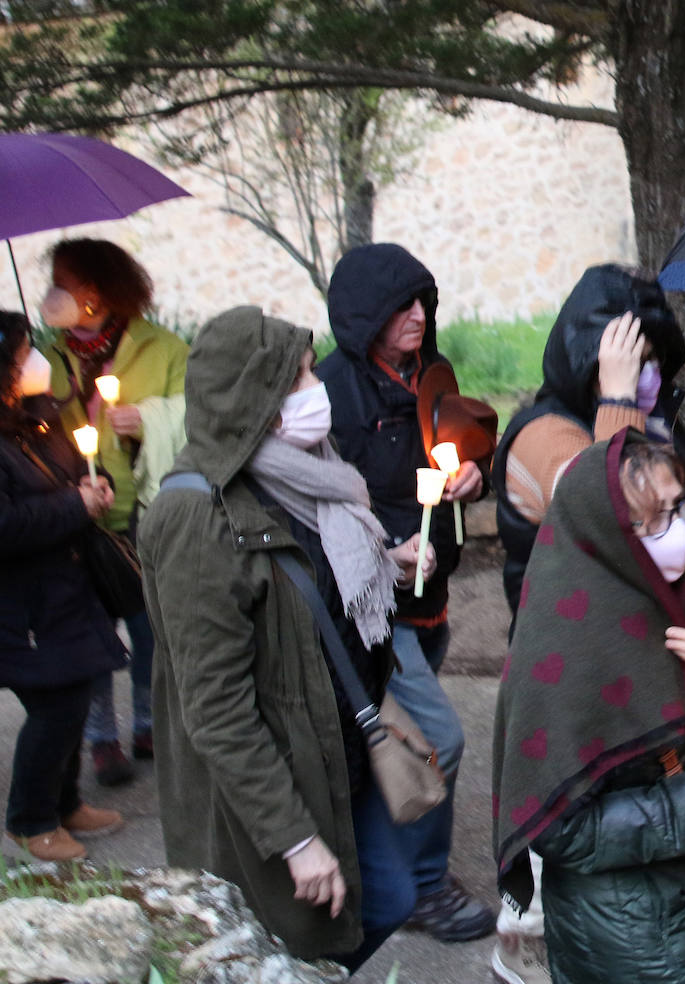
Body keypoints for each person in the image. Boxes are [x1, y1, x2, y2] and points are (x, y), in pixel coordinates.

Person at [489, 264, 685, 984]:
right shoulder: (550, 435)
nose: (646, 378)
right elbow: (595, 499)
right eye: (630, 363)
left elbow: (661, 506)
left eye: (653, 363)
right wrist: (616, 400)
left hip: (675, 889)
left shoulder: (656, 446)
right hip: (625, 922)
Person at [140, 306, 435, 969]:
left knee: (385, 899)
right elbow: (214, 708)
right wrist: (294, 838)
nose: (317, 389)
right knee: (293, 944)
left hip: (338, 748)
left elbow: (301, 586)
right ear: (260, 401)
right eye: (300, 377)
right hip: (277, 782)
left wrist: (386, 562)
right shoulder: (195, 518)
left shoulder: (304, 475)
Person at [317, 243, 496, 944]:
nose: (419, 316)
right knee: (434, 743)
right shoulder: (331, 393)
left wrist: (476, 469)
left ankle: (374, 868)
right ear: (367, 318)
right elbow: (317, 506)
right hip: (376, 605)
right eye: (401, 307)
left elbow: (470, 435)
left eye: (423, 302)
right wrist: (378, 554)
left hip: (431, 596)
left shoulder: (430, 374)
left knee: (391, 743)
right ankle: (421, 887)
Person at [41, 238, 188, 786]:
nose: (53, 292)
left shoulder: (165, 347)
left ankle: (149, 722)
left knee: (149, 624)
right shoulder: (47, 356)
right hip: (76, 512)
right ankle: (101, 738)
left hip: (145, 511)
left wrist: (150, 419)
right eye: (51, 279)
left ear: (97, 290)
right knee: (91, 630)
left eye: (64, 280)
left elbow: (196, 414)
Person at [0, 312, 126, 862]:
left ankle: (66, 800)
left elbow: (79, 467)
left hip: (67, 591)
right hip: (23, 605)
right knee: (57, 704)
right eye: (25, 351)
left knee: (75, 692)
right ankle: (30, 818)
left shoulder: (37, 419)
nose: (36, 361)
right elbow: (5, 526)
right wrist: (73, 504)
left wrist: (96, 484)